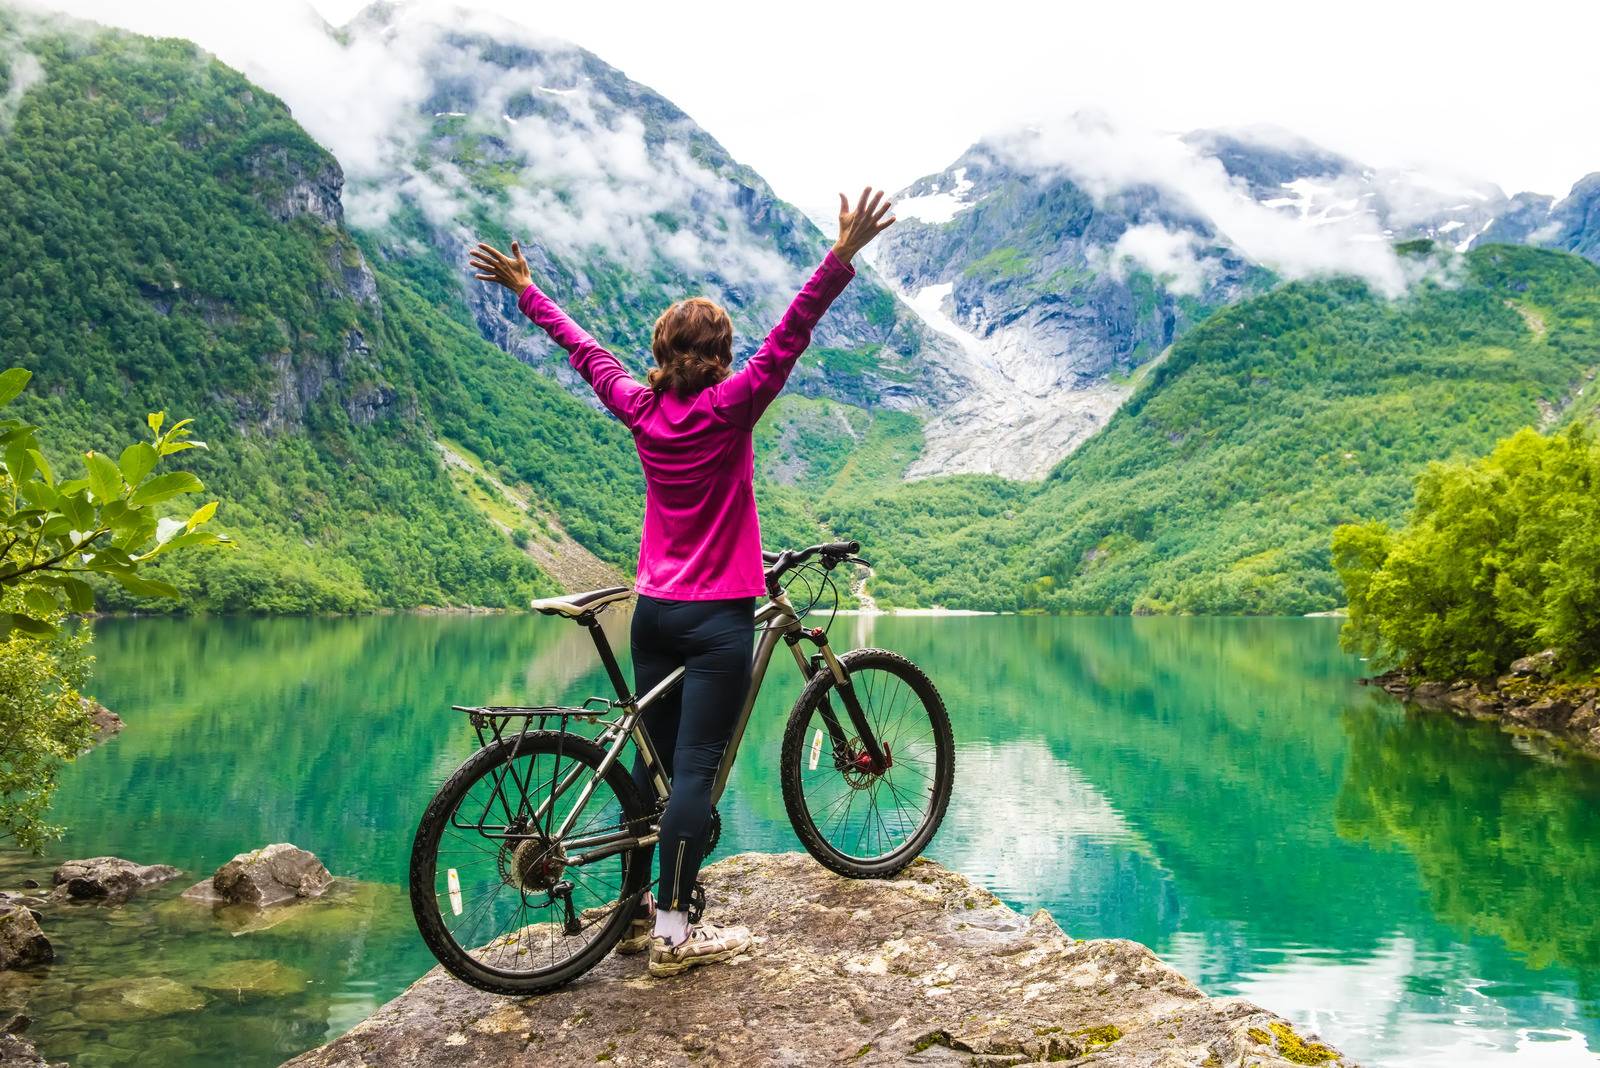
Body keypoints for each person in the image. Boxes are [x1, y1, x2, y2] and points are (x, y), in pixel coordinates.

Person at [468, 188, 896, 977]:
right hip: (717, 620)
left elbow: (586, 352)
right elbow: (792, 334)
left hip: (655, 613)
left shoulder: (640, 407)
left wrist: (529, 294)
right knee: (694, 773)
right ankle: (673, 936)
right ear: (722, 358)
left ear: (662, 354)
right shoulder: (732, 408)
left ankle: (633, 917)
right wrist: (840, 257)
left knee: (652, 768)